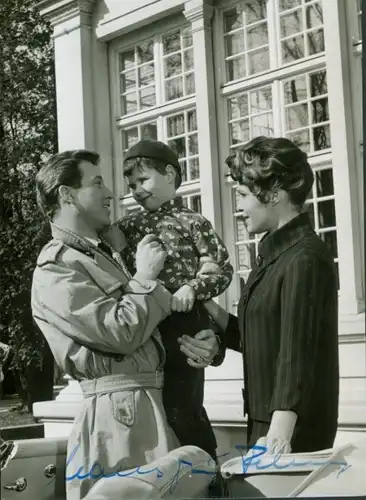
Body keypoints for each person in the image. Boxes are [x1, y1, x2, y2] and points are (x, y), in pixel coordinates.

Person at [31, 149, 182, 500]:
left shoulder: (96, 257)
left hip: (145, 402)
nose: (111, 193)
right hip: (121, 415)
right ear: (67, 194)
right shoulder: (56, 268)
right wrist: (144, 278)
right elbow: (121, 332)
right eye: (97, 183)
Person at [200, 136, 339, 459]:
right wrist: (205, 302)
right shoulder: (276, 256)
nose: (239, 207)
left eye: (244, 195)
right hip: (269, 422)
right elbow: (259, 338)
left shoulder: (304, 258)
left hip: (291, 431)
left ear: (274, 195)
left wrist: (277, 436)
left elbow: (296, 355)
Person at [113, 139, 233, 462]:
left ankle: (203, 464)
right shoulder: (127, 226)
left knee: (184, 404)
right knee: (152, 405)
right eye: (131, 184)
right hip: (146, 323)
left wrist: (193, 288)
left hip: (185, 325)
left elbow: (222, 269)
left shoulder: (193, 222)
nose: (136, 190)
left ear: (169, 173)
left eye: (143, 180)